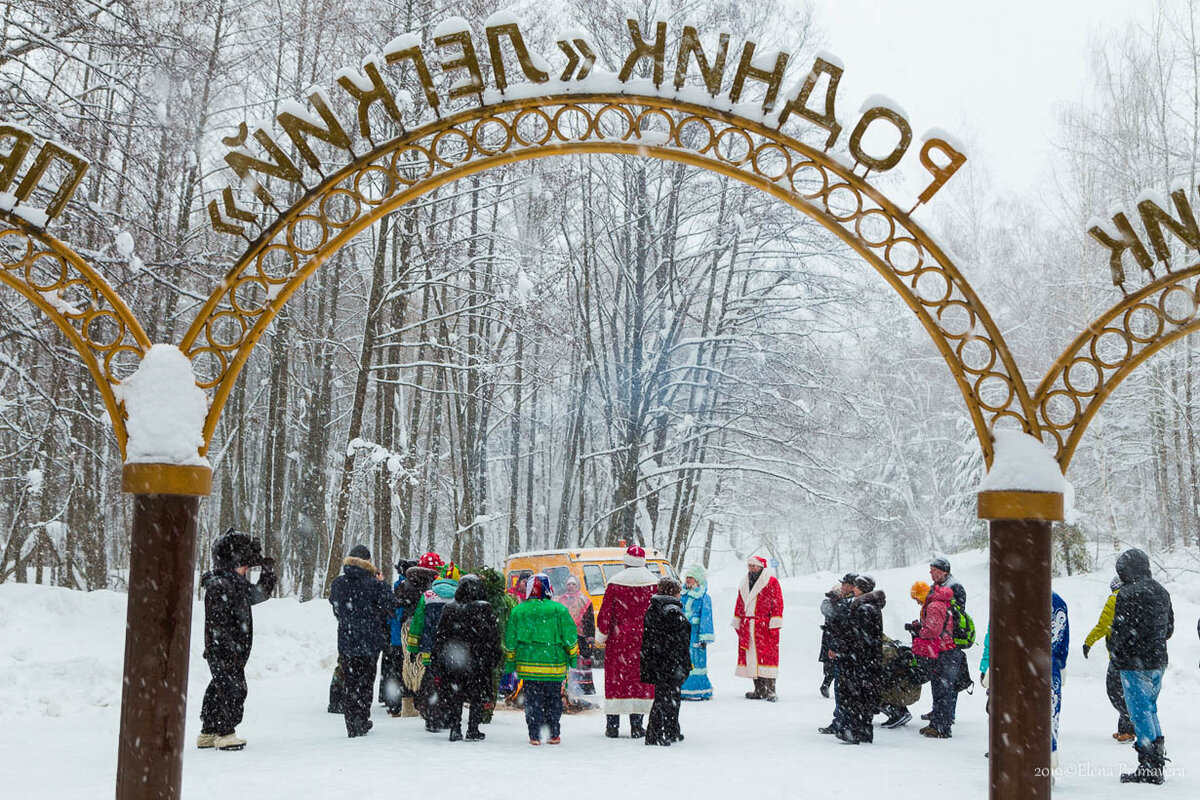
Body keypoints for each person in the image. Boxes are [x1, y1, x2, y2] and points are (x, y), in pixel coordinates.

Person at [197, 529, 276, 751]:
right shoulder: (220, 585)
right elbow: (219, 623)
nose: (246, 571)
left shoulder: (233, 584)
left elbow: (257, 594)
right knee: (233, 689)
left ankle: (209, 731)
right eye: (244, 566)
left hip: (231, 650)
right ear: (231, 563)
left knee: (219, 687)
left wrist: (267, 573)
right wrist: (228, 648)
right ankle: (225, 732)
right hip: (225, 650)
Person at [1111, 548, 1174, 784]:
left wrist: (1118, 653)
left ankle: (1149, 766)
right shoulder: (1162, 591)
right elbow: (1169, 629)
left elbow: (1120, 630)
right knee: (1151, 708)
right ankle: (1156, 759)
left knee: (1139, 712)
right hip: (1158, 660)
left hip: (1134, 662)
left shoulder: (1127, 594)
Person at [329, 543, 395, 738]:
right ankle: (362, 719)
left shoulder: (338, 583)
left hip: (347, 639)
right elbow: (389, 603)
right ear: (368, 562)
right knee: (365, 682)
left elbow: (335, 606)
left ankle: (351, 723)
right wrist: (382, 583)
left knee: (350, 681)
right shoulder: (374, 583)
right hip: (370, 640)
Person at [504, 573, 578, 745]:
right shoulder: (559, 610)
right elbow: (569, 636)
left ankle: (534, 735)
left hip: (528, 665)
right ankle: (554, 733)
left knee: (532, 700)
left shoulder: (518, 610)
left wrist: (510, 662)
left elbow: (511, 641)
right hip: (554, 664)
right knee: (554, 699)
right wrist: (572, 656)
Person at [431, 573, 502, 742]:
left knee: (455, 694)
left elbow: (441, 635)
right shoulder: (484, 608)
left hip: (455, 660)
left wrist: (438, 657)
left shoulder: (449, 608)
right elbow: (492, 636)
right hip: (479, 660)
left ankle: (455, 728)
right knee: (477, 695)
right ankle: (473, 728)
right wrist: (494, 656)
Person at [596, 545, 658, 737]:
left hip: (619, 640)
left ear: (625, 562)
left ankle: (612, 725)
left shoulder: (615, 584)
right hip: (644, 640)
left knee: (617, 680)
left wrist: (602, 635)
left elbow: (606, 614)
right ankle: (637, 725)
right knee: (640, 681)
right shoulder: (654, 584)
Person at [827, 574, 885, 744]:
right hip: (868, 659)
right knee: (863, 695)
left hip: (859, 660)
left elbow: (857, 637)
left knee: (855, 695)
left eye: (857, 587)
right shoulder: (871, 606)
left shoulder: (863, 609)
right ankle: (864, 731)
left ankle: (855, 731)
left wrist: (843, 651)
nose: (853, 589)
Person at [640, 577, 693, 746]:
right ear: (674, 593)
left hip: (656, 661)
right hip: (670, 663)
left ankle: (671, 730)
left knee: (667, 696)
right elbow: (679, 642)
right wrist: (682, 663)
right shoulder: (672, 611)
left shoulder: (653, 608)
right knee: (666, 698)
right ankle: (656, 734)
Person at [408, 560, 460, 732]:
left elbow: (418, 623)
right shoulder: (460, 596)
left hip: (429, 649)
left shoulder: (428, 596)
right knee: (451, 684)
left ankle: (432, 718)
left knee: (431, 683)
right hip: (452, 651)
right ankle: (450, 717)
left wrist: (413, 648)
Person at [1083, 576, 1134, 741]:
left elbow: (1103, 625)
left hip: (1119, 654)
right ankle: (1125, 728)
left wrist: (1088, 642)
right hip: (1135, 653)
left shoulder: (1115, 598)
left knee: (1114, 690)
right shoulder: (1135, 596)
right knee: (1126, 690)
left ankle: (1129, 727)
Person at [733, 555, 784, 701]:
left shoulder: (771, 582)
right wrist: (738, 620)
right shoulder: (744, 583)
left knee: (767, 658)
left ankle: (771, 690)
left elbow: (778, 602)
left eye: (754, 566)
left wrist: (775, 622)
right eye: (749, 566)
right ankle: (759, 689)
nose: (752, 568)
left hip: (764, 626)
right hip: (749, 625)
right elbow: (740, 603)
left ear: (761, 567)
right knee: (752, 657)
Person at [910, 582, 957, 738]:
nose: (917, 601)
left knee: (941, 690)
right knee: (942, 689)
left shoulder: (934, 606)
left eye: (916, 598)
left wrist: (919, 630)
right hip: (946, 650)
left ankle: (941, 727)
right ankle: (938, 723)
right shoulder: (940, 603)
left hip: (942, 651)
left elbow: (932, 631)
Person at [396, 553, 440, 717]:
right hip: (424, 626)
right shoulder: (432, 583)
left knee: (408, 664)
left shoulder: (407, 581)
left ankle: (407, 704)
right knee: (424, 665)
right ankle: (423, 704)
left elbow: (399, 600)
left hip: (407, 625)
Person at [818, 573, 858, 735]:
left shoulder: (851, 603)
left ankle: (843, 721)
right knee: (839, 683)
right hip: (840, 647)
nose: (842, 587)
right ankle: (841, 720)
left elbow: (840, 624)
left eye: (846, 584)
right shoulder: (844, 601)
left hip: (843, 649)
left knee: (843, 687)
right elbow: (826, 610)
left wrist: (837, 647)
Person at [380, 557, 416, 716]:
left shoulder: (397, 588)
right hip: (404, 637)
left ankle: (393, 704)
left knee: (393, 672)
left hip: (394, 637)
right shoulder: (411, 588)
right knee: (406, 671)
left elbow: (390, 614)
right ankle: (407, 703)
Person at [556, 576, 598, 710]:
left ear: (577, 585)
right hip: (564, 636)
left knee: (580, 662)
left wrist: (590, 636)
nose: (571, 586)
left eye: (573, 584)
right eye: (569, 584)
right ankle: (567, 686)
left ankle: (582, 687)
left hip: (580, 636)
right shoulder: (560, 600)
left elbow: (590, 619)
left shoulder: (584, 600)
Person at [680, 565, 715, 701]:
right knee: (683, 661)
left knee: (696, 662)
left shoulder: (704, 598)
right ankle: (682, 688)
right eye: (687, 577)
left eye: (691, 578)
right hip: (682, 635)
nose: (688, 580)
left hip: (695, 635)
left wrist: (704, 637)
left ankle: (698, 689)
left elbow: (706, 618)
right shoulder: (681, 595)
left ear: (698, 580)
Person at [1051, 590, 1069, 768]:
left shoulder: (1014, 597)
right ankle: (1045, 764)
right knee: (1048, 717)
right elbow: (1063, 642)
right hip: (1049, 668)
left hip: (1018, 669)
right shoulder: (1057, 601)